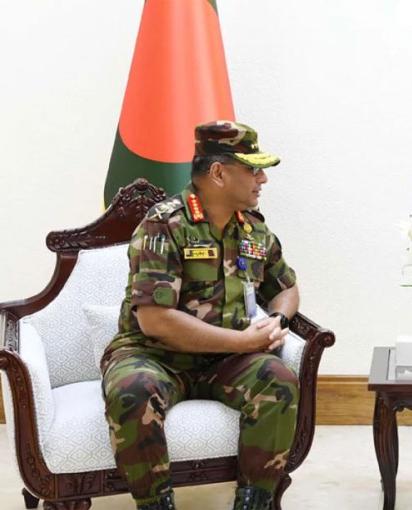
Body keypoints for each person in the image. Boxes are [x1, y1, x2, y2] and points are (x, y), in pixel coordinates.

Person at [101, 120, 300, 510]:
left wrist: (280, 321)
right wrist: (245, 341)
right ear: (219, 173)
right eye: (253, 169)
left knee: (278, 380)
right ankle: (156, 504)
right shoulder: (164, 224)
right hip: (153, 354)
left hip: (225, 362)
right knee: (132, 391)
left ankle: (254, 501)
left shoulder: (255, 231)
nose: (263, 179)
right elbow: (154, 321)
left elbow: (287, 288)